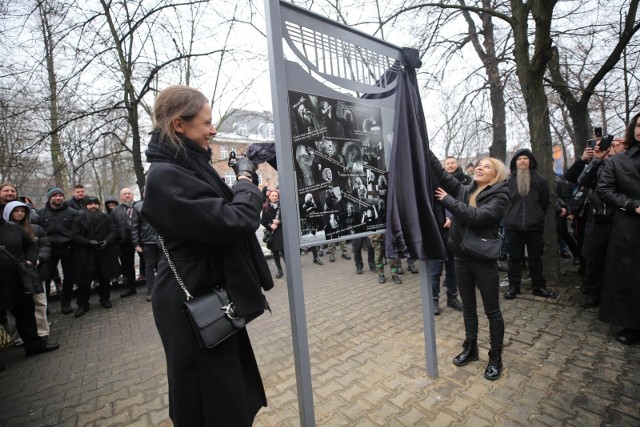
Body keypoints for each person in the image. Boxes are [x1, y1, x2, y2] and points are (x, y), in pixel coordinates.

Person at [141, 85, 273, 425]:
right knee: (209, 402)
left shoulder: (186, 166)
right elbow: (234, 220)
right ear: (178, 125)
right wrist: (245, 179)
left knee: (228, 394)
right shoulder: (165, 176)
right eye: (206, 123)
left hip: (208, 296)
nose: (213, 130)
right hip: (193, 308)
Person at [429, 150, 509, 381]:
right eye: (480, 165)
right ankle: (471, 347)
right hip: (462, 257)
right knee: (469, 307)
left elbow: (476, 217)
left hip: (484, 261)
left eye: (487, 167)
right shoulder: (467, 189)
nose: (481, 168)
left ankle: (495, 357)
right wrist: (423, 143)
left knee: (492, 311)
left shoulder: (500, 194)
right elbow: (443, 175)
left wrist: (448, 201)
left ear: (496, 176)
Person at [597, 114, 640, 345]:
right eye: (639, 125)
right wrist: (633, 205)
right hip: (629, 226)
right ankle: (632, 323)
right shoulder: (618, 161)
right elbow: (605, 190)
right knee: (629, 275)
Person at [0, 210, 59, 361]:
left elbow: (31, 245)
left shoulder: (12, 228)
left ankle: (34, 345)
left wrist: (30, 261)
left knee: (26, 314)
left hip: (18, 280)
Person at [576, 137, 626, 308]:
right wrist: (596, 160)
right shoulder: (601, 165)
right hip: (598, 218)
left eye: (618, 144)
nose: (613, 147)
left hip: (622, 218)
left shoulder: (630, 164)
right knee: (592, 256)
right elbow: (582, 181)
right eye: (611, 145)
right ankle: (592, 293)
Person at [503, 149, 557, 299]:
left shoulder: (540, 180)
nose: (522, 161)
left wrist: (536, 214)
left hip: (534, 226)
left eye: (525, 159)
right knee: (514, 258)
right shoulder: (508, 181)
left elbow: (545, 202)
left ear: (530, 161)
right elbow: (504, 202)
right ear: (515, 162)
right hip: (513, 226)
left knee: (535, 258)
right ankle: (514, 286)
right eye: (519, 159)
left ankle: (539, 287)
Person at [4, 201, 51, 337]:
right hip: (13, 274)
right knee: (14, 307)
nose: (19, 214)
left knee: (40, 302)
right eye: (16, 211)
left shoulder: (35, 229)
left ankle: (42, 332)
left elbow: (45, 246)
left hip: (34, 271)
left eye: (22, 211)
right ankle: (18, 336)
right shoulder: (4, 231)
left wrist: (38, 259)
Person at [430, 157, 469, 315]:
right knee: (435, 270)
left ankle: (452, 297)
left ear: (457, 164)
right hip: (438, 233)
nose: (451, 165)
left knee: (453, 269)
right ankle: (434, 300)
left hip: (455, 233)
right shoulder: (436, 180)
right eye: (448, 163)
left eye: (453, 162)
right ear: (443, 167)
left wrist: (452, 218)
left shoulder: (465, 183)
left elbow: (467, 205)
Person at [71, 196, 119, 316]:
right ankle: (83, 304)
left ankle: (105, 299)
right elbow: (75, 235)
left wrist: (107, 241)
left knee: (104, 277)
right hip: (85, 253)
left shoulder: (106, 218)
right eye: (90, 204)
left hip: (103, 252)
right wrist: (87, 242)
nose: (93, 206)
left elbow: (113, 231)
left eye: (95, 204)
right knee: (84, 281)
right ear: (85, 206)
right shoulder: (78, 219)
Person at [37, 187, 79, 314]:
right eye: (55, 195)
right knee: (46, 277)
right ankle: (45, 305)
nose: (58, 198)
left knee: (69, 277)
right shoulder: (41, 214)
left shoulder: (73, 212)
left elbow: (76, 231)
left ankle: (66, 304)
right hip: (49, 249)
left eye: (60, 195)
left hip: (68, 248)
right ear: (49, 197)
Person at [111, 187, 139, 298]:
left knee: (149, 264)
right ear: (120, 197)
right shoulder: (115, 210)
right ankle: (131, 288)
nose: (127, 195)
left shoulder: (139, 206)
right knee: (127, 267)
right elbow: (112, 227)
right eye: (124, 194)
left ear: (132, 195)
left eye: (129, 193)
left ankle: (152, 287)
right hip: (124, 243)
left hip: (141, 241)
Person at [132, 199, 159, 301]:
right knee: (149, 266)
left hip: (161, 240)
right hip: (147, 242)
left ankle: (162, 289)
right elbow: (134, 226)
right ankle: (151, 290)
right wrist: (136, 243)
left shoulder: (160, 202)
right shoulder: (138, 206)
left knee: (162, 266)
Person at [261, 190, 285, 278]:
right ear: (269, 196)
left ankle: (289, 269)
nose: (274, 197)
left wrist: (279, 221)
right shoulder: (265, 207)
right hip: (272, 233)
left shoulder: (282, 206)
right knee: (275, 252)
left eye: (276, 196)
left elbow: (287, 218)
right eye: (273, 195)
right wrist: (270, 225)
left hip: (281, 232)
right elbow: (263, 221)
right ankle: (279, 270)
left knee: (284, 252)